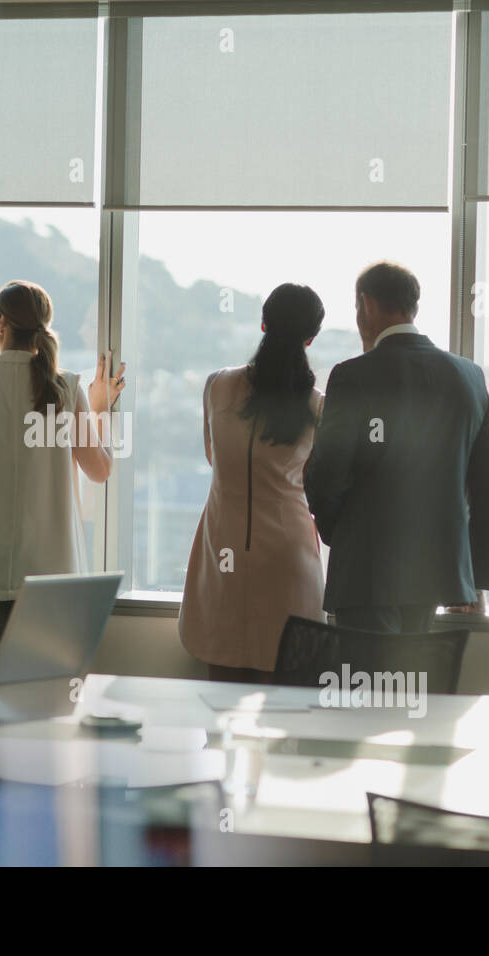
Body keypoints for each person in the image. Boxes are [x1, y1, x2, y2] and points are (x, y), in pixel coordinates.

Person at [0, 280, 125, 656]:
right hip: (49, 574)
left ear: (0, 324)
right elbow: (100, 470)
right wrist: (100, 411)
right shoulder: (67, 387)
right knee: (36, 690)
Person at [305, 261, 489, 634]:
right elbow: (488, 487)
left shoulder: (352, 376)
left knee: (368, 687)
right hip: (437, 573)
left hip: (365, 571)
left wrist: (342, 532)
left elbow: (327, 473)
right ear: (412, 306)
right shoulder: (469, 378)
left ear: (365, 304)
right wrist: (474, 576)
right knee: (415, 687)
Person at [178, 284, 328, 683]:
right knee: (286, 713)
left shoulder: (217, 386)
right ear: (311, 338)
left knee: (222, 702)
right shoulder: (317, 405)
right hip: (289, 554)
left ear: (263, 323)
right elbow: (312, 480)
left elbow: (215, 458)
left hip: (224, 546)